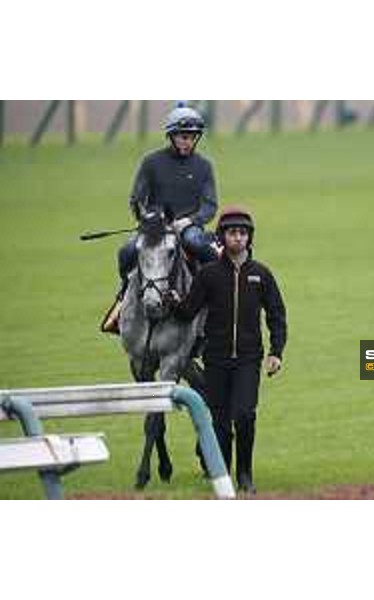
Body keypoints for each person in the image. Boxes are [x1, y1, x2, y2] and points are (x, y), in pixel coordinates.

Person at [174, 205, 287, 494]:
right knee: (221, 422)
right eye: (232, 233)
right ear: (222, 237)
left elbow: (276, 314)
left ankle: (245, 473)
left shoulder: (261, 274)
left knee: (245, 414)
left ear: (250, 238)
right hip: (216, 360)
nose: (237, 238)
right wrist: (172, 301)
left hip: (249, 359)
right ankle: (223, 476)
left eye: (242, 233)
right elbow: (188, 311)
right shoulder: (209, 274)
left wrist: (276, 352)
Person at [102, 102, 218, 333]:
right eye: (183, 136)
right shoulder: (151, 162)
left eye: (192, 137)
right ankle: (124, 297)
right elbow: (137, 199)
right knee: (126, 252)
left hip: (188, 226)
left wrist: (190, 221)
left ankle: (214, 307)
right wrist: (148, 219)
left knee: (202, 247)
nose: (187, 141)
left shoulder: (204, 166)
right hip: (155, 226)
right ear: (171, 136)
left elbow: (210, 205)